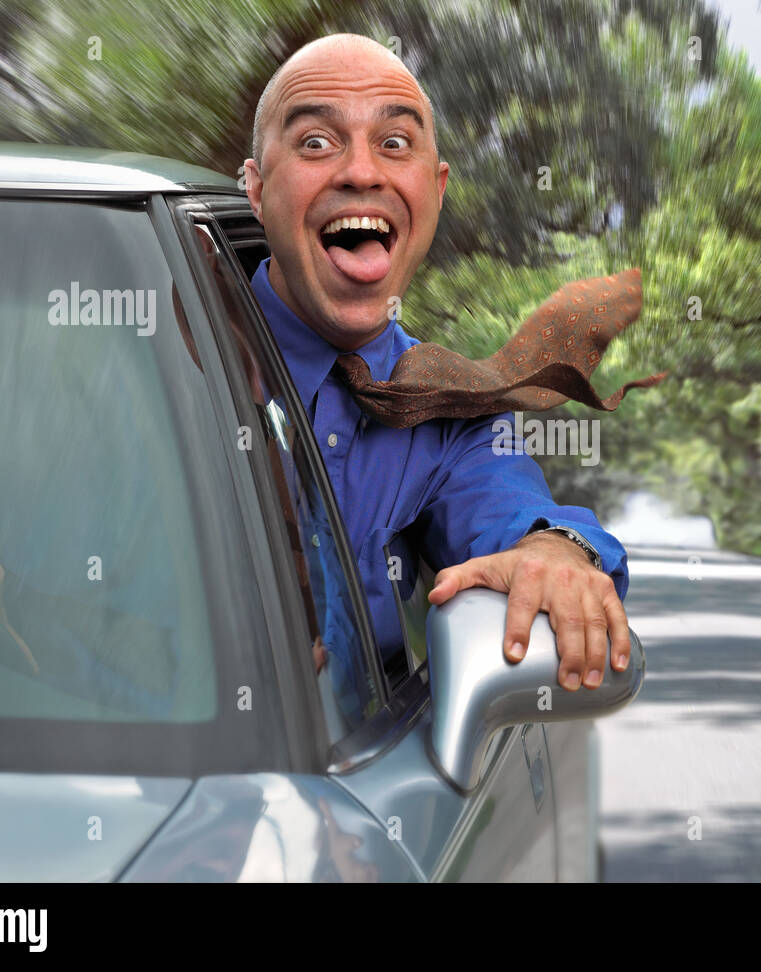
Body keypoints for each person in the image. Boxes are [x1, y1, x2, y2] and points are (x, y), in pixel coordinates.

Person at [241, 34, 636, 690]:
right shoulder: (171, 352)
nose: (362, 173)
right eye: (316, 142)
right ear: (256, 190)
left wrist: (553, 552)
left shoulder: (444, 407)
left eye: (395, 144)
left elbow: (505, 502)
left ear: (436, 188)